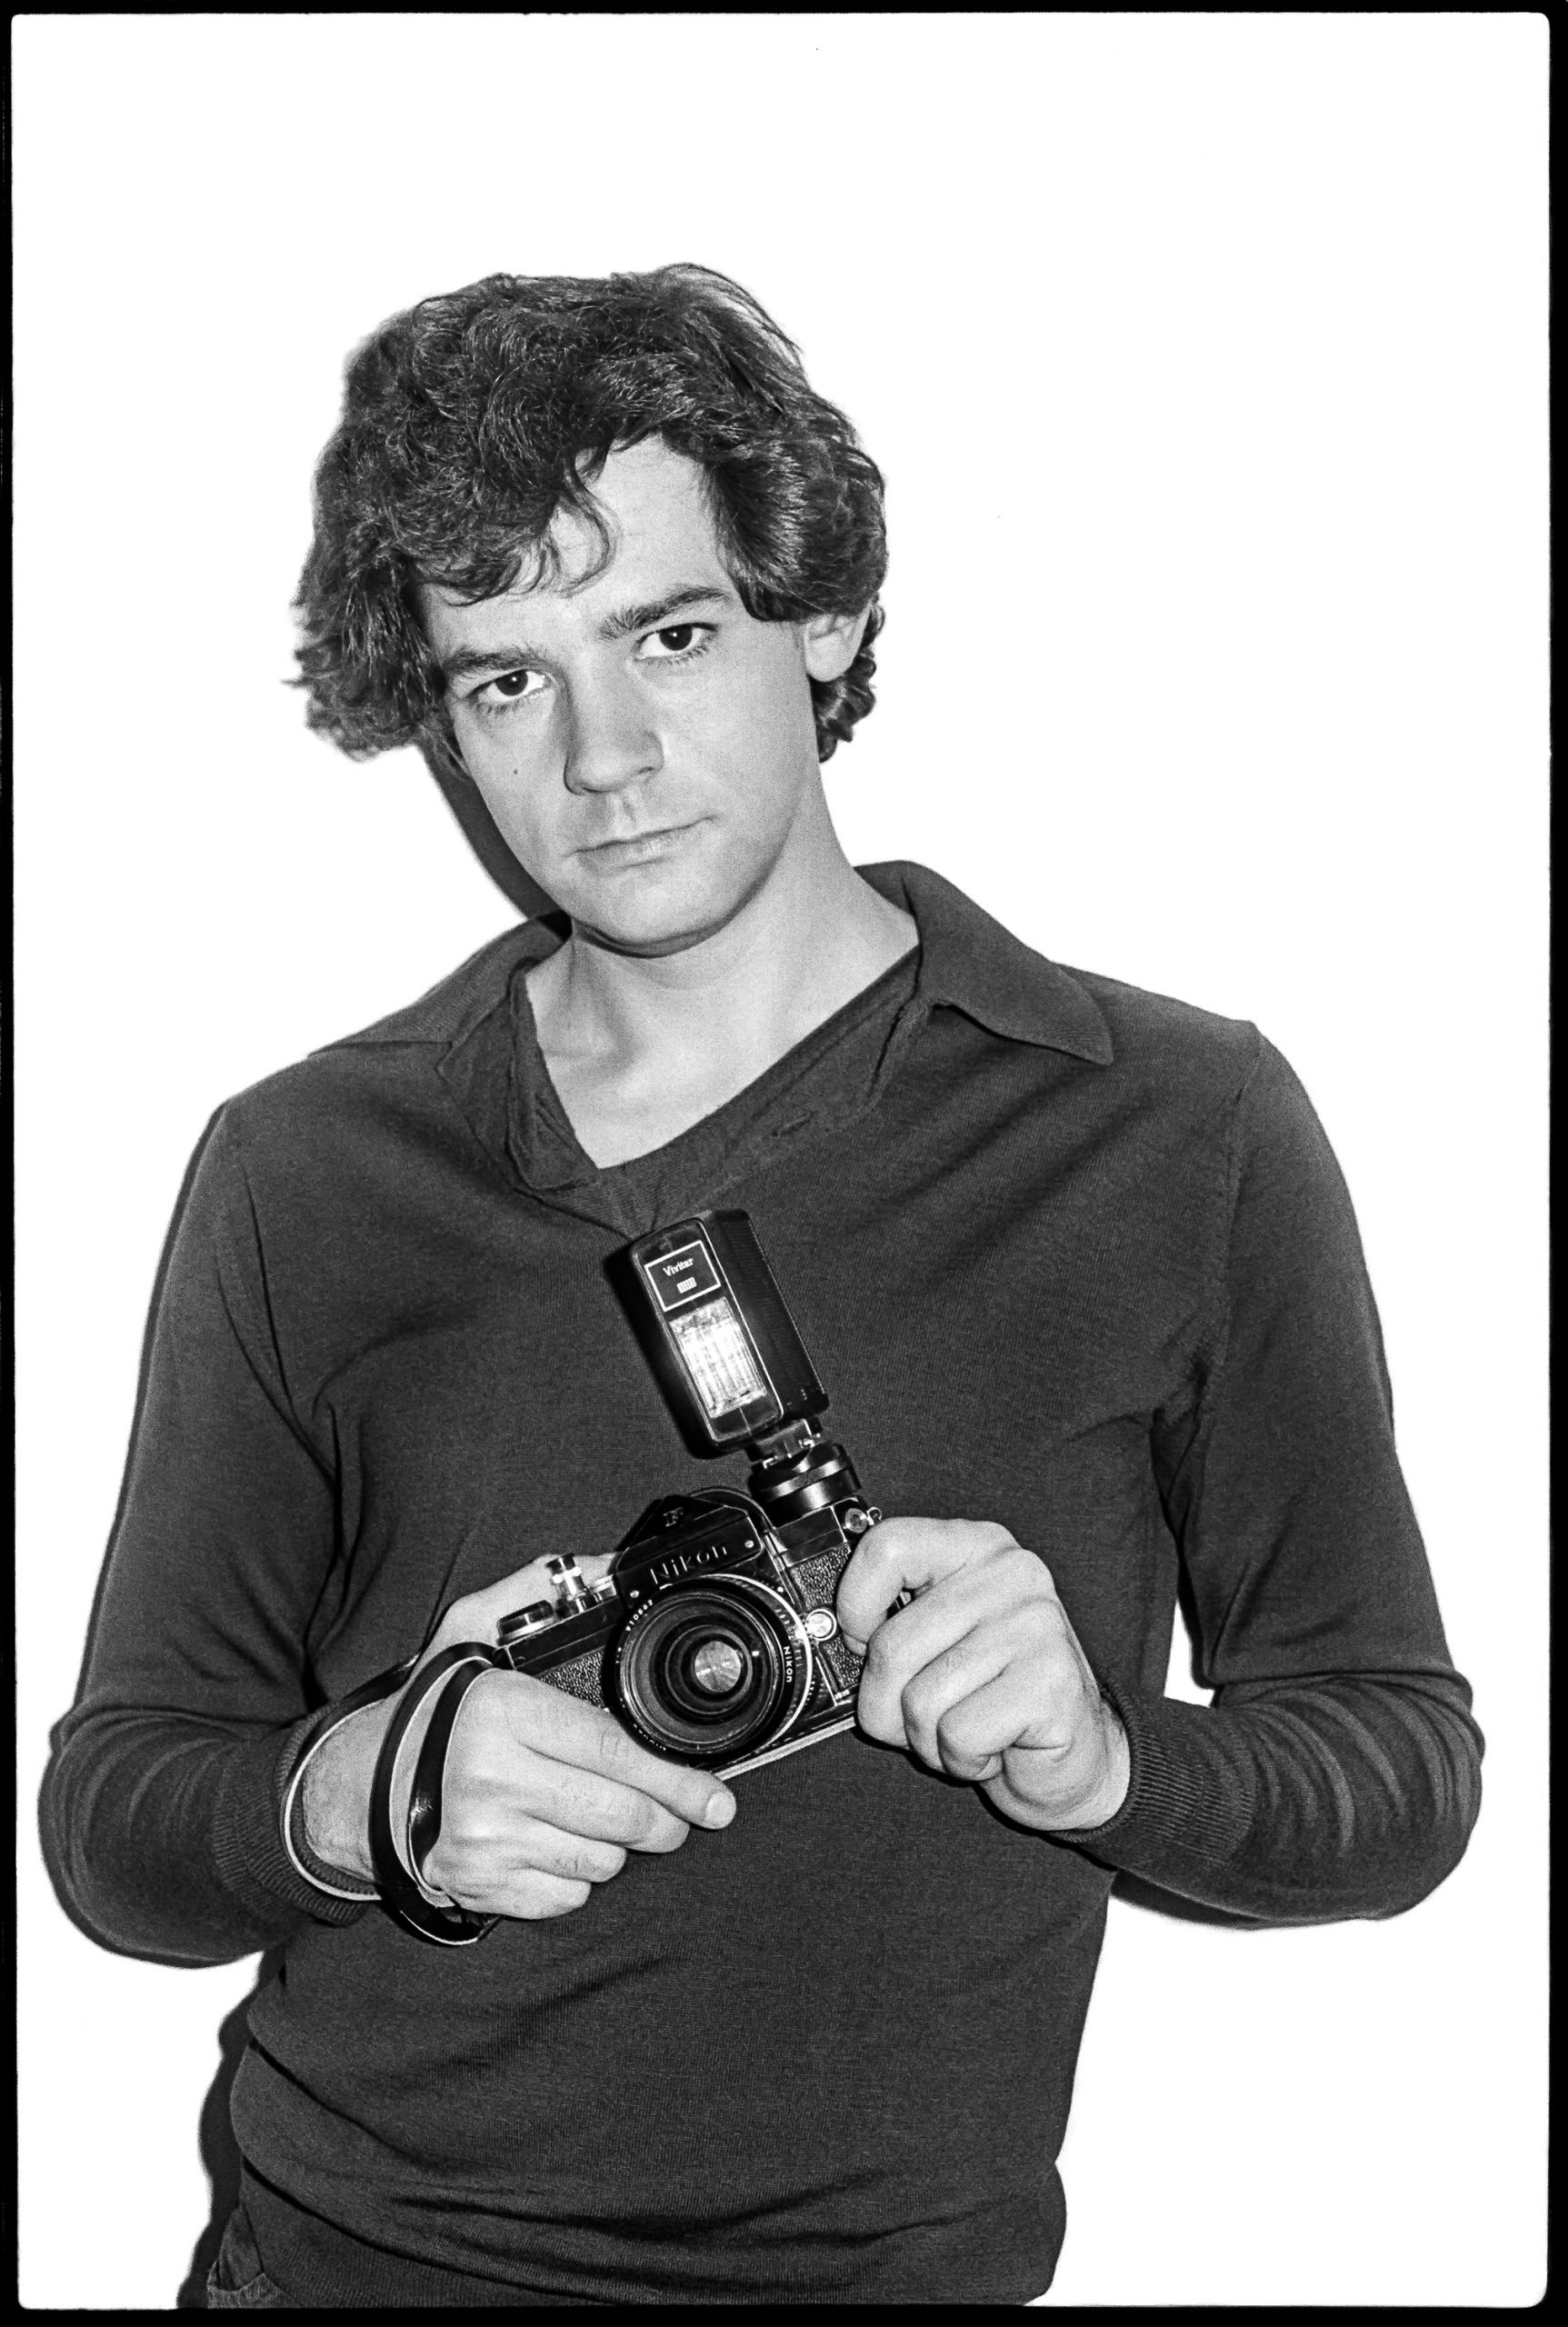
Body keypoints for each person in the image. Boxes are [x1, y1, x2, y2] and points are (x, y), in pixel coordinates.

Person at [41, 265, 1483, 2310]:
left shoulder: (1169, 1126)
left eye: (670, 631)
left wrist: (1104, 1758)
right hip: (338, 2260)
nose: (603, 756)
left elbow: (1394, 1774)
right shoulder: (304, 1168)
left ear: (826, 621)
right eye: (505, 679)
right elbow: (120, 1816)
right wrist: (365, 1789)